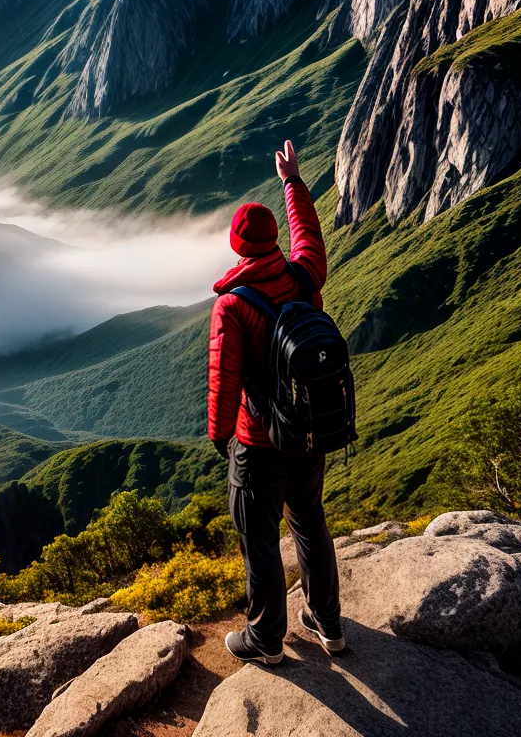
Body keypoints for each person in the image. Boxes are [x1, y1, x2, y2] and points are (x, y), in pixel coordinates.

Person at [207, 139, 344, 665]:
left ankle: (265, 640)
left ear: (238, 246)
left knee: (260, 539)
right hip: (312, 429)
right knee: (310, 521)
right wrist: (293, 182)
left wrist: (224, 438)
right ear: (273, 242)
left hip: (260, 442)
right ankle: (327, 623)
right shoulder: (305, 276)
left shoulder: (234, 306)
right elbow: (309, 235)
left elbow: (224, 381)